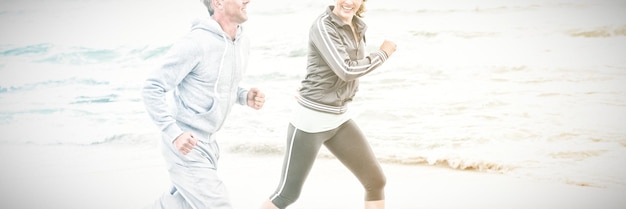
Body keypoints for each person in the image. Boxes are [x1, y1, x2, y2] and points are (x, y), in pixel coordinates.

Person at [259, 0, 397, 208]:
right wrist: (383, 53)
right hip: (310, 121)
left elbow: (329, 68)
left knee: (375, 181)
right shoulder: (323, 25)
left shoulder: (357, 26)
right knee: (287, 194)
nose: (349, 2)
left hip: (339, 117)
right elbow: (346, 70)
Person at [141, 0, 264, 208]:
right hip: (184, 145)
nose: (247, 0)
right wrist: (174, 133)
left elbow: (219, 86)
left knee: (182, 204)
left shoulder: (243, 42)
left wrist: (244, 96)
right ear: (218, 3)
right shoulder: (195, 43)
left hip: (210, 145)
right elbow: (152, 87)